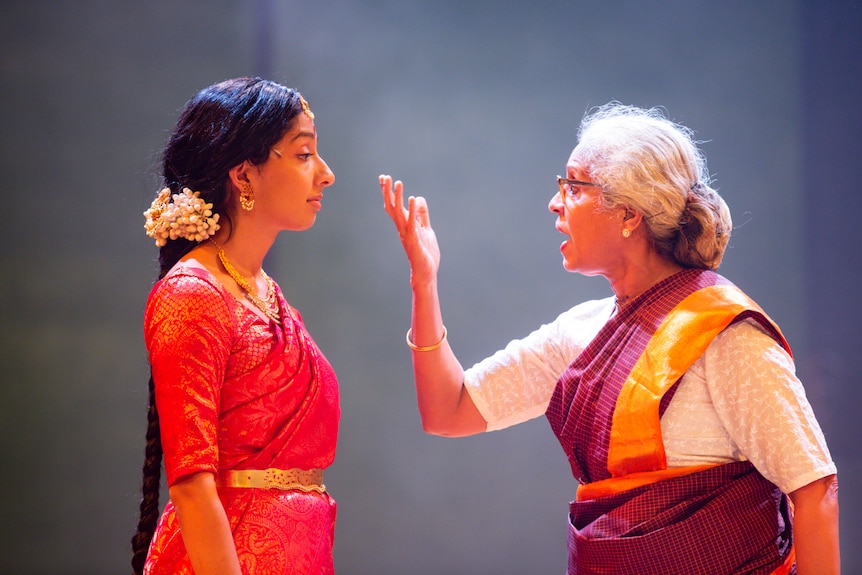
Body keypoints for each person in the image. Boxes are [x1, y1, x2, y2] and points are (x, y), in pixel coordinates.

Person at [380, 103, 839, 574]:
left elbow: (813, 488)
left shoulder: (723, 331)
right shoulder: (579, 333)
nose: (555, 202)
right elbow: (447, 410)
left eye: (574, 186)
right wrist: (424, 282)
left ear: (628, 213)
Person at [131, 77, 339, 575]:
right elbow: (191, 482)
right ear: (244, 175)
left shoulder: (267, 295)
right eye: (304, 154)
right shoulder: (193, 294)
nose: (326, 175)